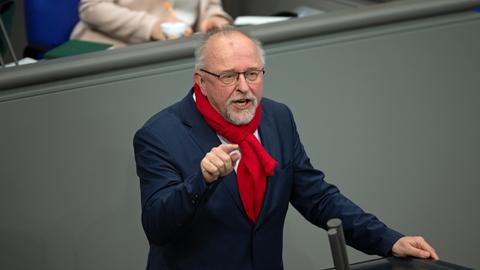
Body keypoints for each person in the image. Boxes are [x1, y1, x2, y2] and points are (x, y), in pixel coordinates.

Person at [133, 27, 439, 270]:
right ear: (200, 81)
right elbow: (157, 227)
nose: (243, 87)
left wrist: (389, 241)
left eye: (252, 73)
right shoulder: (160, 134)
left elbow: (317, 197)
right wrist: (201, 181)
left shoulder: (277, 119)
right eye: (229, 76)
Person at [70, 0, 232, 48]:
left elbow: (209, 5)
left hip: (183, 47)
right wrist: (152, 27)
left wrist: (213, 17)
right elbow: (91, 8)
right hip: (117, 47)